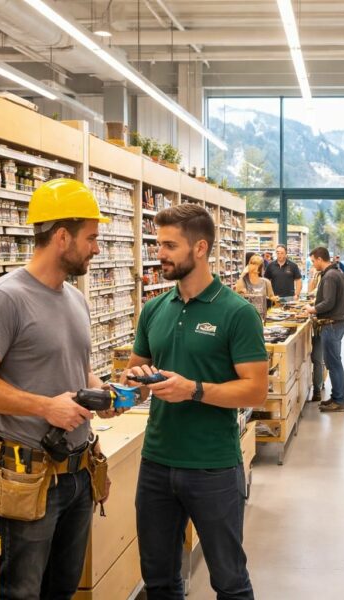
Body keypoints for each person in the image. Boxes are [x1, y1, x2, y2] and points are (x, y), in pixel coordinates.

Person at [0, 178, 117, 600]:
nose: (97, 248)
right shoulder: (4, 299)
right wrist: (46, 407)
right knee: (22, 592)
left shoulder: (75, 299)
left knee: (61, 589)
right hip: (27, 478)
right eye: (92, 238)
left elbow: (76, 372)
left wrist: (105, 394)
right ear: (62, 236)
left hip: (79, 473)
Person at [123, 203, 268, 599]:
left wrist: (195, 389)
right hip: (156, 462)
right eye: (158, 243)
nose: (160, 253)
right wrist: (132, 382)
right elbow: (135, 371)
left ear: (200, 248)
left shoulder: (236, 312)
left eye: (170, 245)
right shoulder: (154, 309)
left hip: (212, 467)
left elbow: (256, 390)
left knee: (230, 582)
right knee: (160, 582)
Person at [305, 247, 344, 412]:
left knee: (334, 363)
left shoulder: (330, 276)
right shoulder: (337, 273)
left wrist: (312, 309)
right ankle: (336, 397)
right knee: (333, 362)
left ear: (319, 259)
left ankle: (339, 401)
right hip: (336, 324)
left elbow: (328, 302)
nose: (313, 264)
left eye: (313, 261)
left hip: (331, 325)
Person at [235, 254, 277, 319]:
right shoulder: (243, 281)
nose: (253, 266)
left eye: (256, 264)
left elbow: (272, 297)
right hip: (247, 316)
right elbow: (237, 293)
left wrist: (274, 299)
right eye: (252, 263)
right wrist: (243, 274)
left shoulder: (265, 282)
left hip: (262, 316)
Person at [306, 267, 324, 402]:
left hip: (320, 326)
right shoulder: (319, 282)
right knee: (318, 358)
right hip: (317, 324)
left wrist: (311, 309)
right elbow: (310, 293)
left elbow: (317, 299)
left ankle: (317, 390)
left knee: (317, 358)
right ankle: (317, 386)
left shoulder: (325, 283)